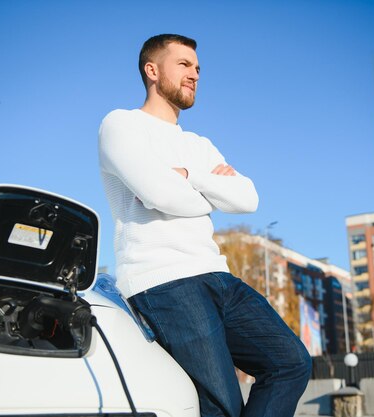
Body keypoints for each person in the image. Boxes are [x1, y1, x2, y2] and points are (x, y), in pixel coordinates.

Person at [98, 34, 311, 417]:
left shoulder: (199, 145)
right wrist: (212, 190)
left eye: (197, 68)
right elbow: (160, 195)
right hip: (164, 281)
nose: (195, 74)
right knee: (222, 406)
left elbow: (247, 198)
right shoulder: (121, 125)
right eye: (183, 65)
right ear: (152, 70)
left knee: (291, 362)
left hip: (218, 275)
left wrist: (187, 175)